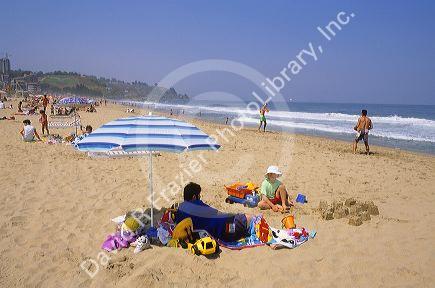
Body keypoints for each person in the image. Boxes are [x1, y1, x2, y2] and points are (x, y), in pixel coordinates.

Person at [175, 182, 252, 242]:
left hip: (216, 231)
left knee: (241, 222)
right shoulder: (197, 205)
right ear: (194, 197)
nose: (200, 197)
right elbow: (218, 213)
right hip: (224, 229)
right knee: (248, 218)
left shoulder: (180, 209)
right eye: (199, 195)